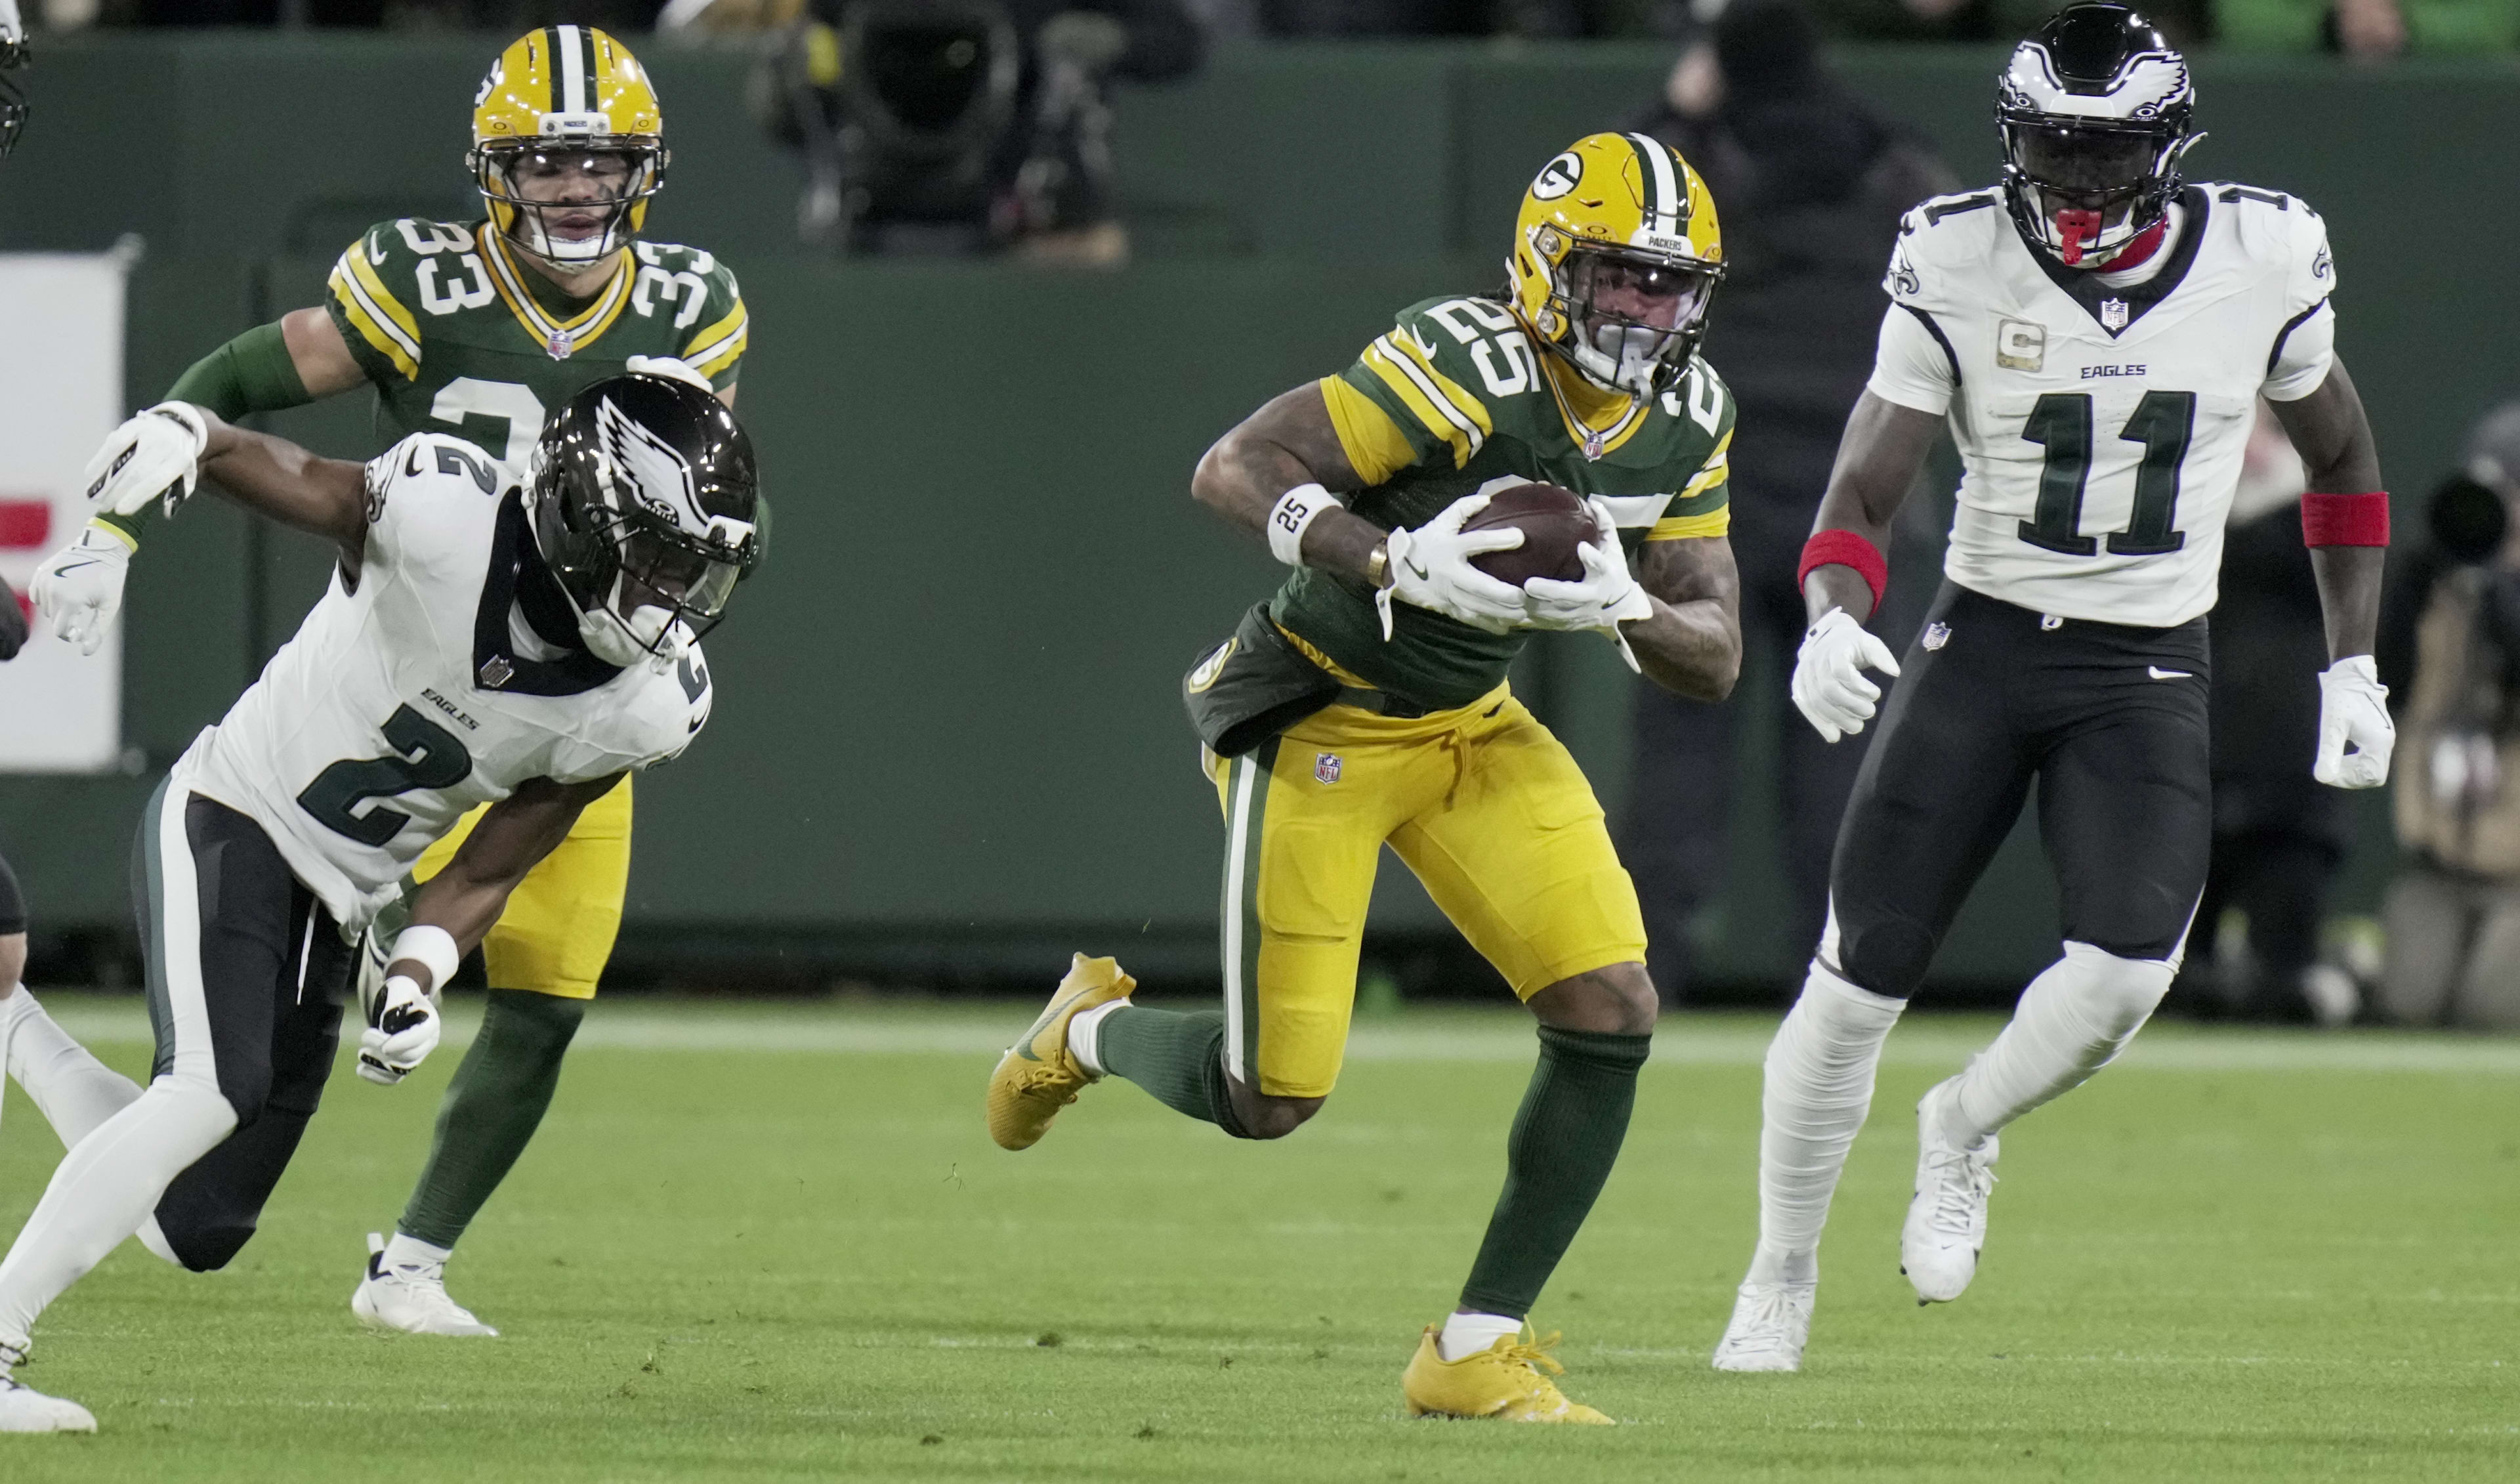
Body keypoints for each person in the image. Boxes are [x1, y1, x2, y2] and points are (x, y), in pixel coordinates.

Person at [986, 131, 1744, 1423]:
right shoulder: (1466, 360)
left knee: (1613, 1001)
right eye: (1615, 278)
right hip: (1322, 713)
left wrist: (1625, 604)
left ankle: (1472, 1348)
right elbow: (1236, 466)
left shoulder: (1688, 412)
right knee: (1271, 1093)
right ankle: (1087, 1030)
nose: (1639, 311)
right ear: (1546, 268)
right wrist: (1388, 562)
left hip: (1471, 725)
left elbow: (1714, 650)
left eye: (1664, 288)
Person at [1708, 4, 2393, 1374]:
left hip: (2147, 657)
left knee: (2131, 968)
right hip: (1989, 637)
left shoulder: (2262, 252)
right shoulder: (1955, 249)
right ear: (2013, 140)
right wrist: (1837, 612)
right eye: (2054, 150)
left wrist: (2356, 657)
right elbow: (1863, 482)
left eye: (2105, 153)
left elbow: (2343, 458)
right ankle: (1778, 1273)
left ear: (2166, 147)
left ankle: (1962, 1122)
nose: (2076, 183)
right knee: (1850, 986)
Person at [47, 25, 748, 1338]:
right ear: (497, 172)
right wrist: (141, 488)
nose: (581, 189)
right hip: (424, 634)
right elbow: (247, 385)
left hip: (575, 682)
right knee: (218, 1114)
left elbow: (685, 478)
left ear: (646, 168)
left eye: (603, 162)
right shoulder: (417, 280)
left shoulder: (690, 303)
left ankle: (411, 1260)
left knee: (545, 993)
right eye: (548, 163)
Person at [0, 372, 756, 1433]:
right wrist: (170, 453)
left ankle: (9, 1026)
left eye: (695, 567)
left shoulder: (647, 705)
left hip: (343, 893)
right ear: (580, 519)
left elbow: (492, 866)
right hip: (236, 805)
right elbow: (267, 463)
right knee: (210, 1092)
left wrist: (418, 969)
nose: (672, 595)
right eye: (658, 555)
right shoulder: (446, 517)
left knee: (194, 1225)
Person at [1620, 0, 1954, 1000]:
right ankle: (1842, 967)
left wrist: (1672, 112)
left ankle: (1648, 966)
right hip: (1854, 507)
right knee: (1844, 743)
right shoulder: (1897, 172)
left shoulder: (1689, 178)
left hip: (1705, 502)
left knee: (1681, 749)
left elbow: (1600, 212)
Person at [2376, 404, 2520, 1030]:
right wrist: (2413, 573)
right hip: (2437, 858)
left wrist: (2502, 593)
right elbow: (2382, 671)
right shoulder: (2446, 588)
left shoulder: (2493, 597)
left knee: (2497, 1010)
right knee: (2408, 1005)